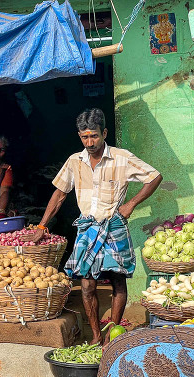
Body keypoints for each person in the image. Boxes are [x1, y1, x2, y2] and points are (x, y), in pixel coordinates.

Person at [25, 108, 162, 344]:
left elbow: (154, 176)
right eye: (84, 137)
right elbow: (59, 195)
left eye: (94, 136)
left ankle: (112, 334)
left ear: (104, 132)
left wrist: (130, 204)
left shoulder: (122, 157)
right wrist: (41, 226)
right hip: (87, 229)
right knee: (87, 285)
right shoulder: (74, 162)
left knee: (118, 281)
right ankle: (96, 336)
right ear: (79, 136)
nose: (90, 142)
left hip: (114, 225)